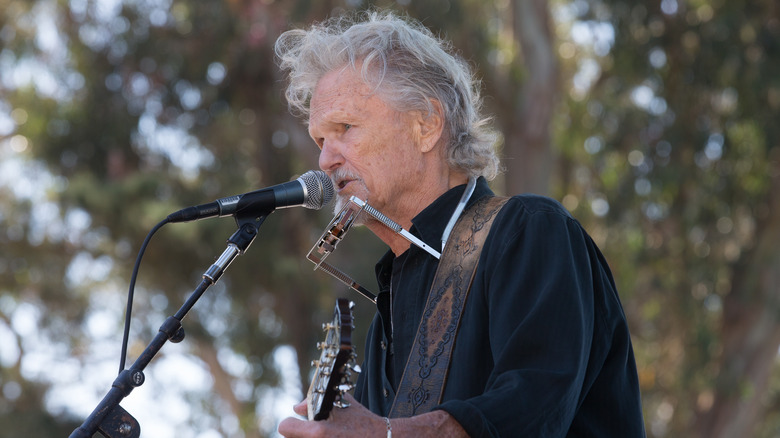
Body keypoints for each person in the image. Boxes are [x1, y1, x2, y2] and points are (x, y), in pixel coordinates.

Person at [275, 10, 646, 438]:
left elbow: (528, 412)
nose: (325, 160)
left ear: (427, 125)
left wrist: (387, 434)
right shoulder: (387, 310)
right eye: (320, 139)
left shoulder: (528, 232)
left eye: (345, 127)